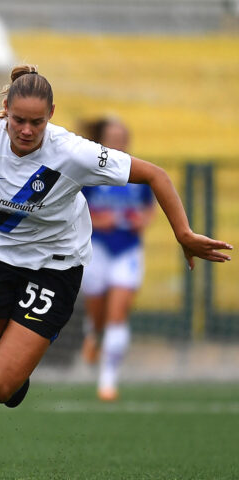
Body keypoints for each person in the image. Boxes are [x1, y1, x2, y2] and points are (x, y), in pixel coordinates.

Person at [0, 65, 233, 480]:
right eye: (18, 120)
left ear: (52, 115)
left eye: (36, 122)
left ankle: (16, 367)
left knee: (0, 386)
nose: (25, 130)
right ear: (5, 109)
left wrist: (183, 233)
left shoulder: (73, 152)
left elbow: (155, 175)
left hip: (55, 268)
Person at [78, 118, 155, 402]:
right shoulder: (89, 174)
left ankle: (108, 380)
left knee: (118, 315)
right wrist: (99, 220)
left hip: (128, 250)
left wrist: (142, 221)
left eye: (122, 136)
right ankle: (92, 333)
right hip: (97, 249)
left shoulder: (137, 173)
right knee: (98, 316)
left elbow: (149, 208)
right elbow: (78, 212)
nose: (118, 142)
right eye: (112, 137)